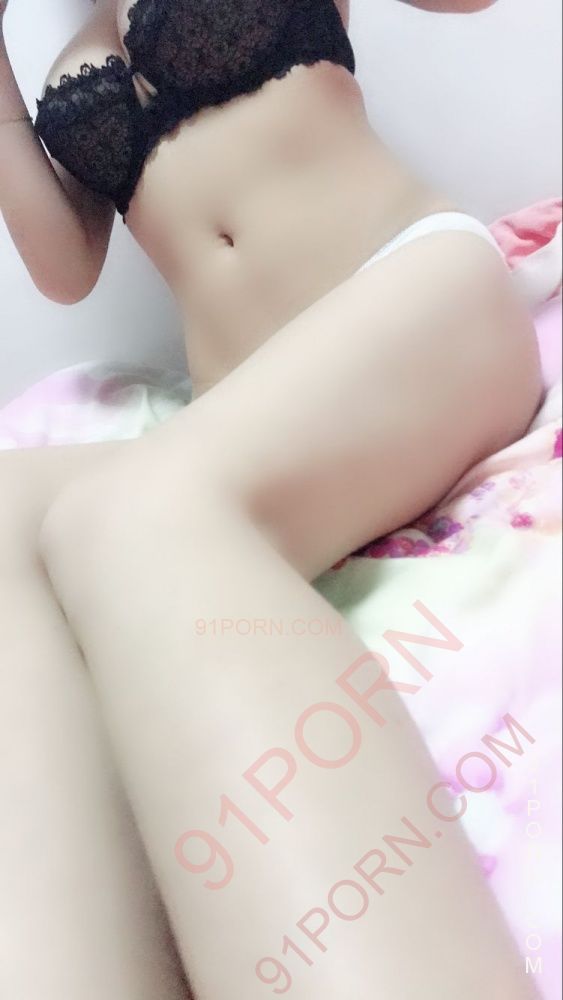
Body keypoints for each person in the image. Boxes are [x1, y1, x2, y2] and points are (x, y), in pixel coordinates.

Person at [0, 1, 543, 997]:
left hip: (410, 305)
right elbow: (63, 269)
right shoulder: (70, 53)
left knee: (124, 520)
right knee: (9, 516)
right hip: (257, 413)